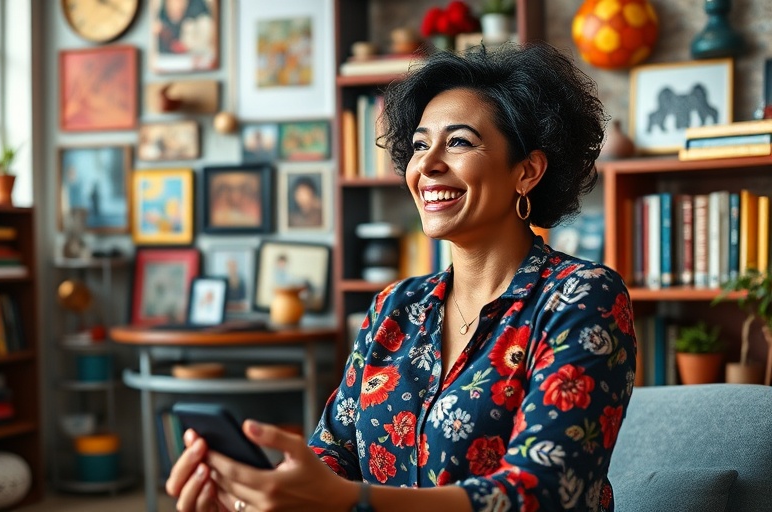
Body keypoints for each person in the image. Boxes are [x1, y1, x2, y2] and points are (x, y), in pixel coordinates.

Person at [166, 43, 636, 512]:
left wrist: (350, 501)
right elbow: (332, 454)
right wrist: (258, 499)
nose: (426, 166)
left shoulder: (582, 297)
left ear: (527, 171)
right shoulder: (394, 307)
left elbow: (546, 492)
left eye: (458, 141)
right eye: (418, 145)